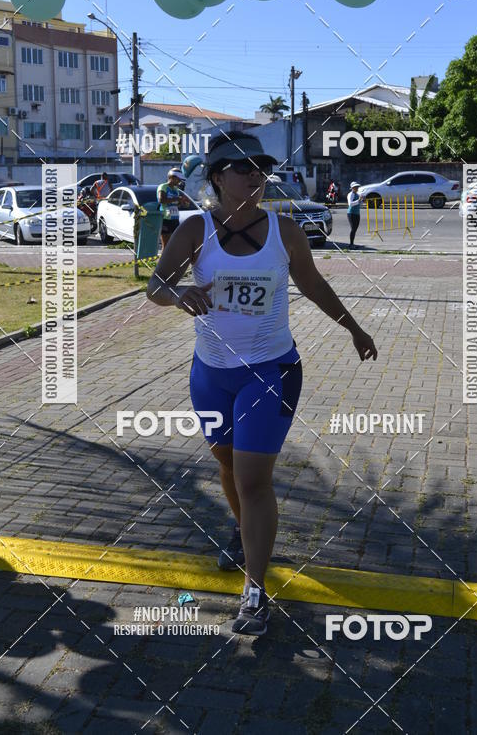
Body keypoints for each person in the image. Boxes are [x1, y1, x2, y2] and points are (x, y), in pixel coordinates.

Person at [146, 132, 378, 636]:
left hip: (271, 371)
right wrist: (179, 293)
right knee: (228, 466)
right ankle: (243, 530)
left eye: (260, 167)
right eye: (241, 167)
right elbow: (155, 287)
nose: (254, 175)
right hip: (209, 375)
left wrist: (353, 328)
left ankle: (255, 592)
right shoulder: (193, 229)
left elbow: (313, 284)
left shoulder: (285, 230)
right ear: (216, 177)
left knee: (253, 480)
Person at [158, 167, 184, 250]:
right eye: (178, 179)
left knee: (175, 245)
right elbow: (161, 200)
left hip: (175, 218)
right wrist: (177, 199)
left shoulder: (176, 189)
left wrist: (182, 203)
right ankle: (163, 263)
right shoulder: (163, 186)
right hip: (165, 219)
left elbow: (176, 204)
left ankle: (173, 262)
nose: (180, 181)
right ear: (172, 177)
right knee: (166, 246)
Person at [347, 181, 362, 248]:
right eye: (355, 187)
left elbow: (359, 203)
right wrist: (358, 201)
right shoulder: (351, 194)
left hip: (357, 213)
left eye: (357, 187)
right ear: (352, 188)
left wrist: (361, 200)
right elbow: (350, 204)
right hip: (351, 213)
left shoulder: (357, 194)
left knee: (355, 229)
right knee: (353, 228)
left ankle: (352, 243)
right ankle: (351, 244)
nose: (357, 188)